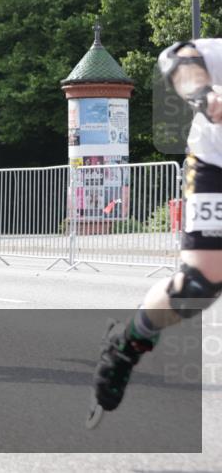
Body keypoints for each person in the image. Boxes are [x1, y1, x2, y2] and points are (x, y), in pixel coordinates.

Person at [89, 40, 222, 423]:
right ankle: (129, 341)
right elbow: (177, 56)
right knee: (197, 287)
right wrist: (203, 93)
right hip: (216, 165)